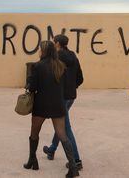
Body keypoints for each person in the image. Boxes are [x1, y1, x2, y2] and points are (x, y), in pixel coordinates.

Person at [24, 41, 79, 178]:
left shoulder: (37, 66)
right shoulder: (61, 66)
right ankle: (73, 168)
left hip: (41, 105)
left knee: (34, 133)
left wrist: (29, 84)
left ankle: (32, 160)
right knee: (62, 135)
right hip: (57, 105)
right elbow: (67, 86)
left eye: (40, 49)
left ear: (43, 51)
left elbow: (32, 87)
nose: (38, 51)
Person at [43, 34, 84, 171]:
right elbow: (80, 78)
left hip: (60, 97)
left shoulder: (55, 58)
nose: (54, 45)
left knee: (66, 128)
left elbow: (49, 77)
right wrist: (72, 87)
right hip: (71, 97)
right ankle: (52, 149)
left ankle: (77, 161)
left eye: (54, 42)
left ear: (58, 44)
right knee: (61, 122)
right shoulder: (73, 56)